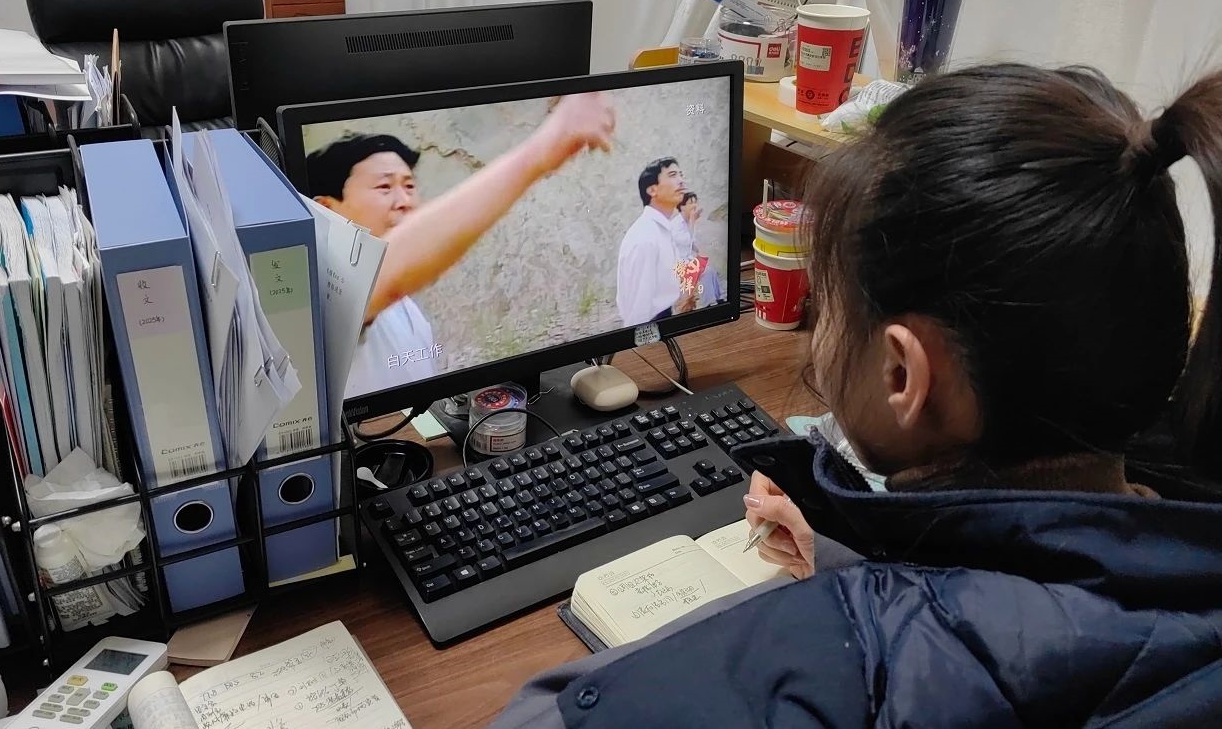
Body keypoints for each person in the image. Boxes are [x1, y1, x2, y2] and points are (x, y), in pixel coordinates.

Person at [493, 63, 1222, 726]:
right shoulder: (1185, 549)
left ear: (902, 374)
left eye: (826, 305)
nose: (816, 339)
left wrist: (836, 610)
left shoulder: (828, 664)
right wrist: (864, 567)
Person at [308, 92, 616, 397]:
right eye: (384, 186)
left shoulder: (407, 311)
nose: (405, 201)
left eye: (410, 185)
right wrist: (547, 146)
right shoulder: (322, 289)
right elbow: (384, 274)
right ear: (327, 209)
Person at [616, 158, 699, 326]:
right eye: (672, 175)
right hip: (652, 326)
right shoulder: (645, 237)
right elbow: (637, 312)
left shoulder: (663, 229)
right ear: (652, 190)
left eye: (681, 175)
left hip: (664, 320)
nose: (681, 181)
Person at [671, 190, 723, 307]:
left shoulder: (687, 221)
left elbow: (692, 242)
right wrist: (692, 221)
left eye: (695, 202)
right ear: (682, 206)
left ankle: (719, 299)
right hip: (679, 264)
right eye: (690, 203)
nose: (694, 205)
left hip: (688, 260)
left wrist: (699, 251)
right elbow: (686, 240)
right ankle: (708, 303)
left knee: (711, 270)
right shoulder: (676, 224)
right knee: (706, 272)